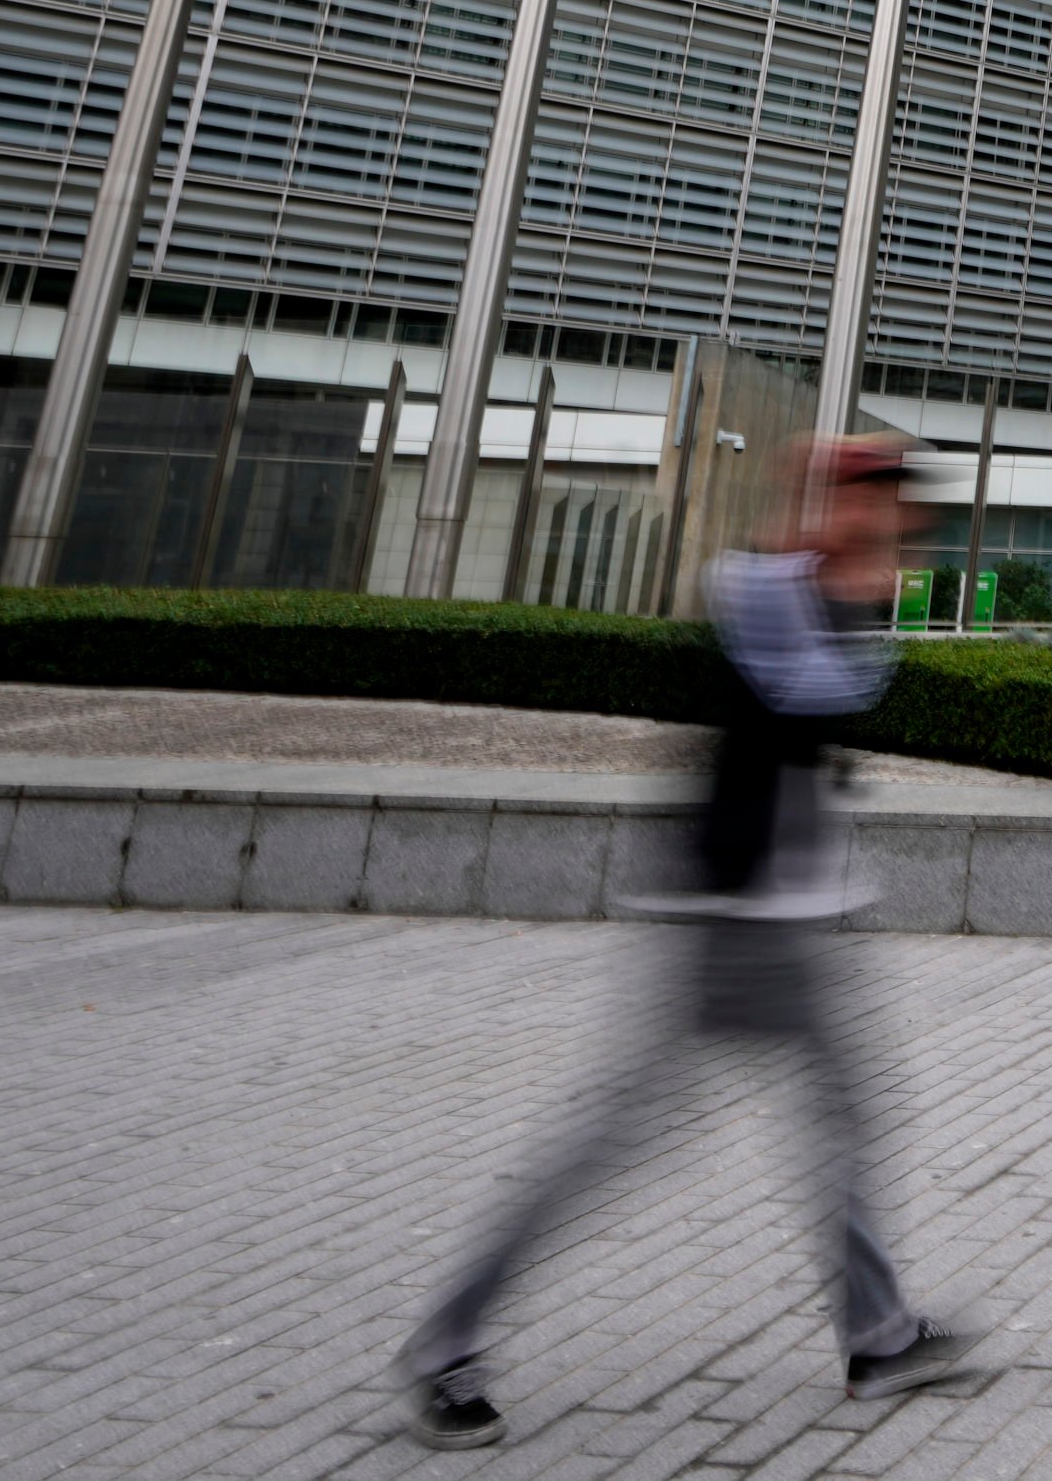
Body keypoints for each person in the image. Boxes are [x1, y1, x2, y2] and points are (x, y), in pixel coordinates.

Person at [399, 433, 982, 1448]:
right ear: (838, 501)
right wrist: (829, 564)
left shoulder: (828, 590)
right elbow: (811, 690)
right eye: (878, 501)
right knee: (625, 1142)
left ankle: (879, 1331)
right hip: (738, 920)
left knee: (837, 1115)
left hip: (789, 910)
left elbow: (848, 692)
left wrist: (848, 583)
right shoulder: (760, 583)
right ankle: (446, 1342)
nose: (896, 526)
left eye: (898, 508)